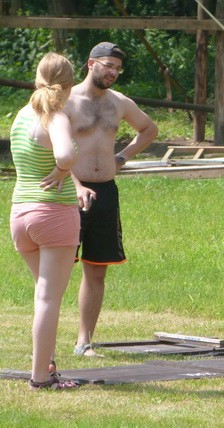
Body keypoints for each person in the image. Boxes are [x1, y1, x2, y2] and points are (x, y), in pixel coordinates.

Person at [63, 42, 158, 356]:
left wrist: (122, 157)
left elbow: (149, 129)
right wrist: (75, 184)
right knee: (59, 268)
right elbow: (50, 149)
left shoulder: (119, 102)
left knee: (97, 268)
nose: (113, 72)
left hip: (105, 193)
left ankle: (84, 341)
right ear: (91, 64)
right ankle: (46, 340)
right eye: (108, 65)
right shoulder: (66, 100)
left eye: (117, 68)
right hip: (69, 192)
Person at [10, 53, 81, 390]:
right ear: (69, 85)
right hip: (53, 213)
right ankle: (40, 377)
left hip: (20, 213)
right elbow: (65, 154)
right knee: (48, 298)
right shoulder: (56, 117)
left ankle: (47, 365)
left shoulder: (21, 115)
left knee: (43, 294)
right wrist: (63, 169)